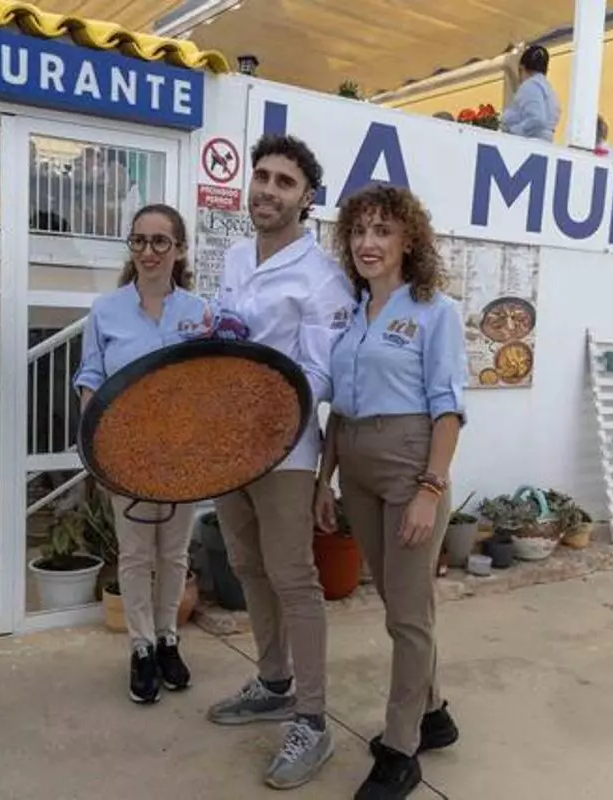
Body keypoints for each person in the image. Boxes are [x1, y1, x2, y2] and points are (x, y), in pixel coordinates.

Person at [206, 133, 355, 790]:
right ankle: (272, 682)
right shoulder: (237, 256)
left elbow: (320, 374)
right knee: (246, 566)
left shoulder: (323, 277)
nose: (267, 190)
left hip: (286, 451)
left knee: (294, 579)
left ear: (306, 198)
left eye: (284, 182)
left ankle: (313, 722)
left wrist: (264, 402)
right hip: (227, 447)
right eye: (262, 176)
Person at [315, 184, 467, 800]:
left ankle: (402, 750)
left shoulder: (434, 311)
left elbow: (448, 409)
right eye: (358, 231)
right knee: (401, 606)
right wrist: (324, 478)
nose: (367, 243)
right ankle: (433, 714)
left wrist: (430, 488)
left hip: (409, 466)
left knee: (407, 615)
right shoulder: (352, 315)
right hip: (355, 465)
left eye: (382, 230)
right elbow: (338, 407)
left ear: (408, 241)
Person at [72, 203, 214, 705]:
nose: (148, 251)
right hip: (126, 452)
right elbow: (90, 378)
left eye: (160, 241)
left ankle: (168, 639)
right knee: (134, 555)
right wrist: (98, 448)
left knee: (174, 553)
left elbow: (209, 382)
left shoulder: (199, 312)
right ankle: (141, 647)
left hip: (181, 455)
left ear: (179, 249)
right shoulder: (106, 311)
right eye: (139, 241)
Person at [501, 44, 560, 142]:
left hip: (527, 143)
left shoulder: (530, 85)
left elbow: (537, 118)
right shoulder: (549, 90)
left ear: (522, 68)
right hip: (544, 143)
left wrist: (514, 131)